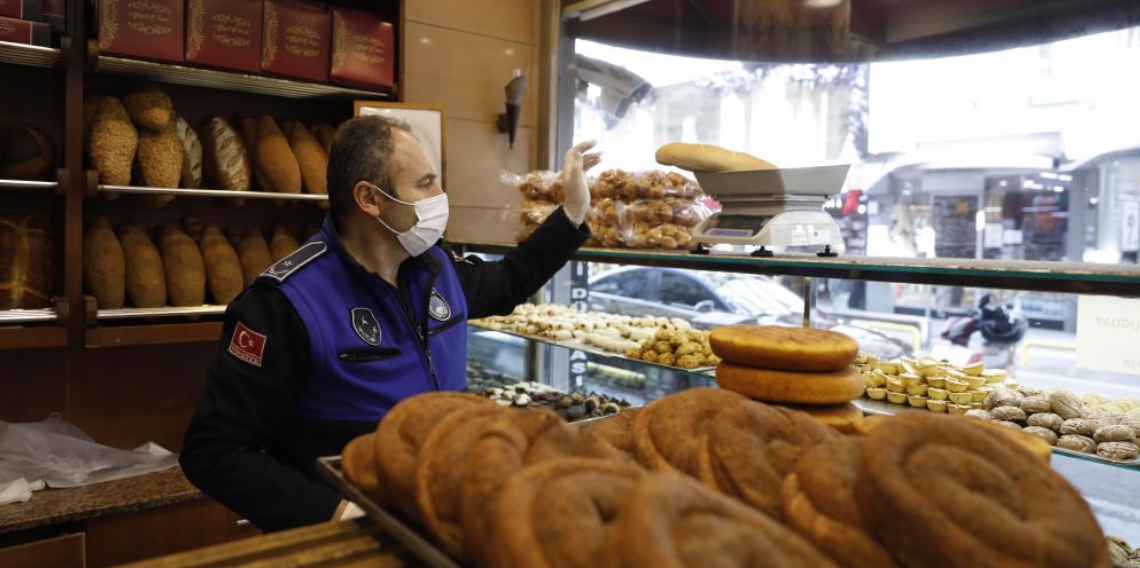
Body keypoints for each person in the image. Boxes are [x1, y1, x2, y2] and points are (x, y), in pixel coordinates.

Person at [180, 116, 600, 532]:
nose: (441, 195)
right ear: (370, 198)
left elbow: (510, 281)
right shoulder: (285, 304)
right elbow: (215, 451)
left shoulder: (437, 269)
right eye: (425, 184)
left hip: (441, 512)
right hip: (353, 537)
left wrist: (572, 213)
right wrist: (338, 513)